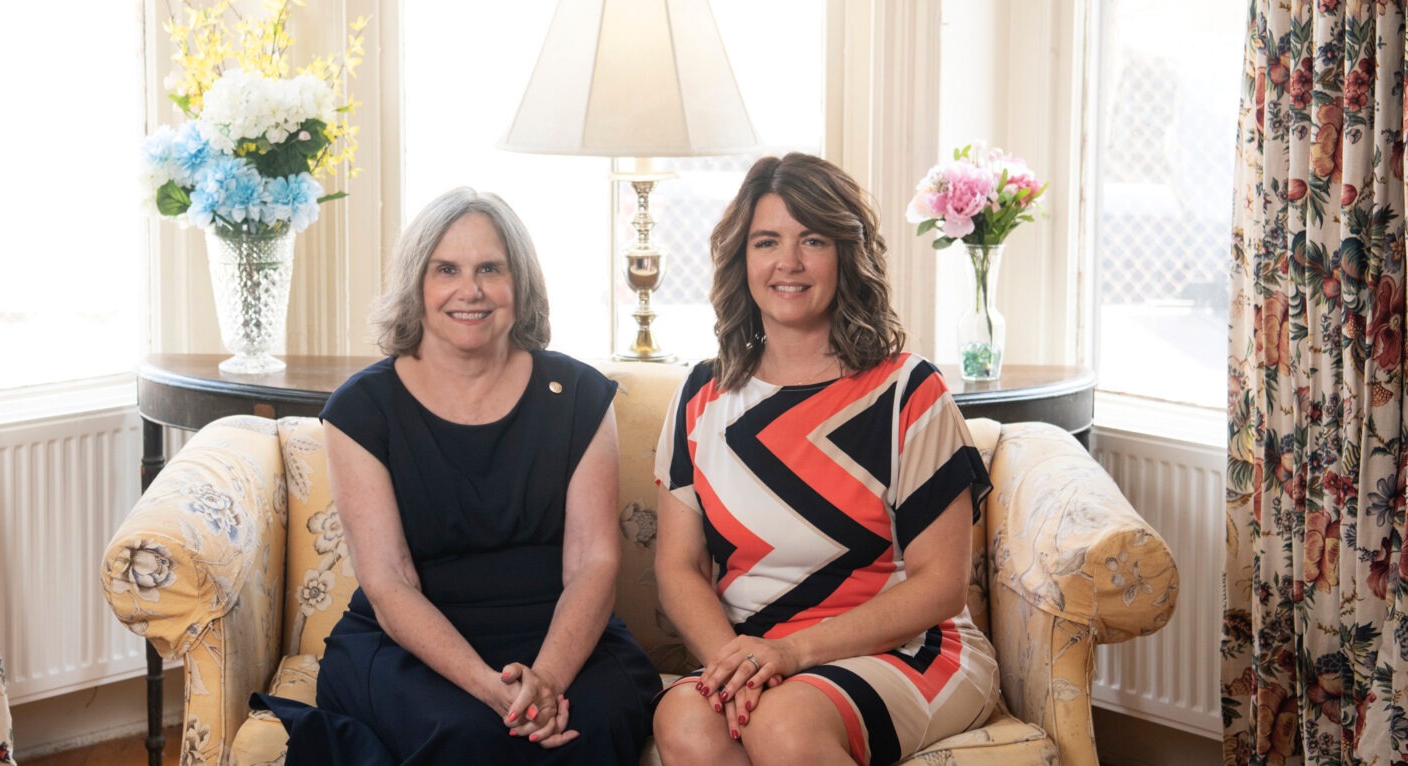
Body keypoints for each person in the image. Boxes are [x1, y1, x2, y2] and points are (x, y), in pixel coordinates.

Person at [253, 187, 661, 765]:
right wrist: (492, 690)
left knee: (588, 723)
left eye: (490, 269)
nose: (470, 290)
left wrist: (544, 679)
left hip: (560, 636)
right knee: (467, 733)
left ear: (519, 284)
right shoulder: (362, 409)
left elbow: (593, 563)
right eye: (447, 269)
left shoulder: (577, 396)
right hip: (412, 644)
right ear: (417, 285)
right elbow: (390, 582)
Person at [651, 153, 999, 766]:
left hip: (908, 650)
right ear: (743, 260)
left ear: (846, 254)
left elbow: (941, 586)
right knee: (684, 719)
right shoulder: (700, 397)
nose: (788, 262)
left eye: (812, 239)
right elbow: (678, 565)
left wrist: (792, 654)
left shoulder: (907, 393)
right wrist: (734, 662)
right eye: (767, 242)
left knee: (784, 723)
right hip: (754, 651)